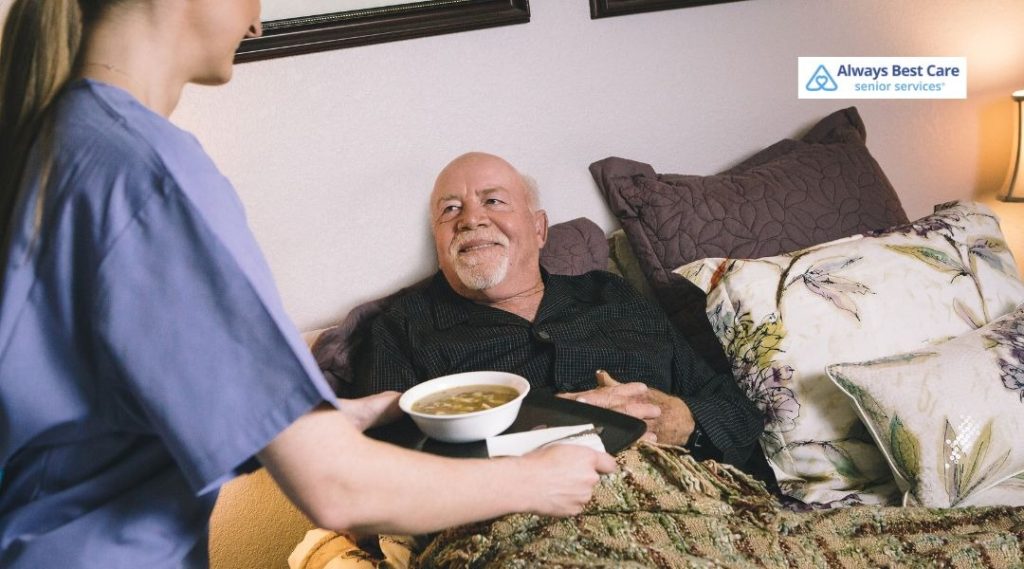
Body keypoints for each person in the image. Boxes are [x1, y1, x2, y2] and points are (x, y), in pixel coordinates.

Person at [0, 2, 617, 568]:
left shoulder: (63, 142)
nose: (256, 22)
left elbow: (99, 406)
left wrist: (330, 417)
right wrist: (538, 479)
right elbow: (336, 488)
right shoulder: (149, 172)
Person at [348, 152, 773, 477]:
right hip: (528, 515)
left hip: (685, 491)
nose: (471, 219)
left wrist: (681, 421)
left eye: (493, 201)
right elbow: (380, 467)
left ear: (539, 229)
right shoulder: (402, 328)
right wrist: (549, 423)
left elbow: (737, 412)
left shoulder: (612, 295)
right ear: (439, 240)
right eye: (450, 210)